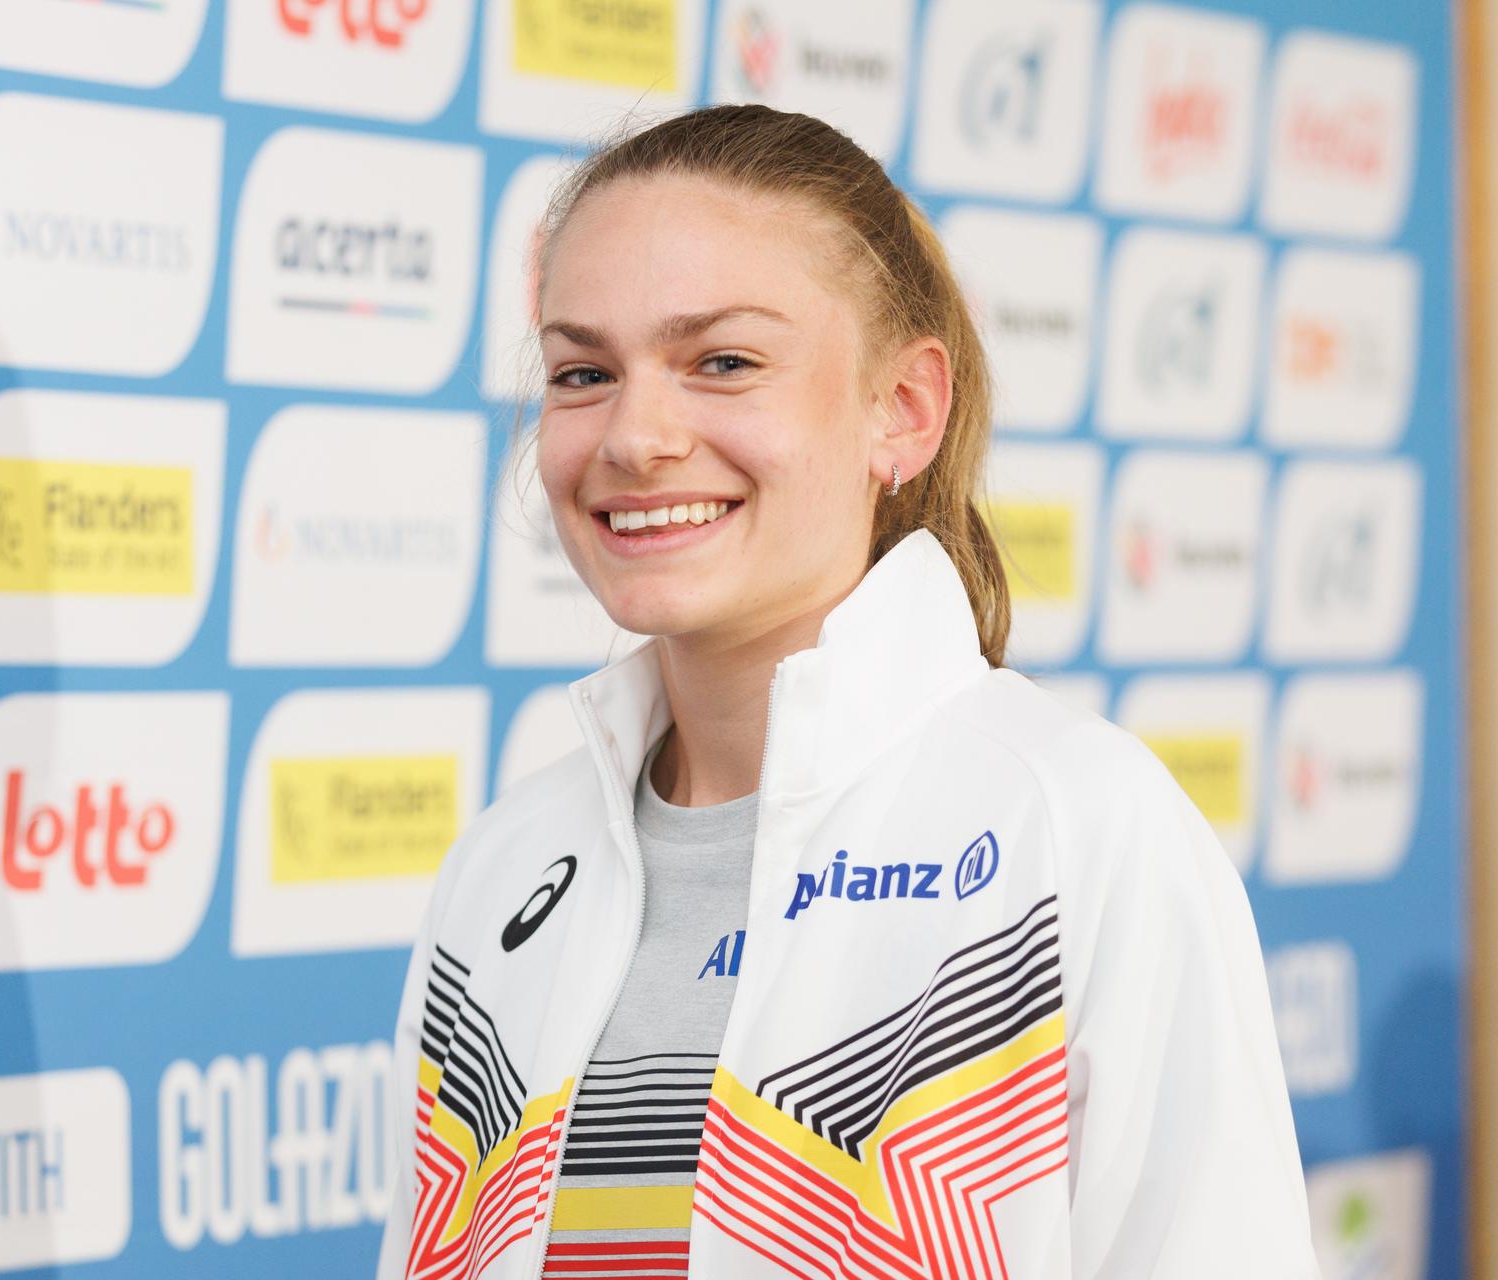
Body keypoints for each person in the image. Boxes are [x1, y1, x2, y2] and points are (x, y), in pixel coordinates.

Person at [377, 104, 1317, 1280]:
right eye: (584, 371)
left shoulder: (1073, 824)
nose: (635, 433)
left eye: (723, 361)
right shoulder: (501, 868)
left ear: (903, 411)